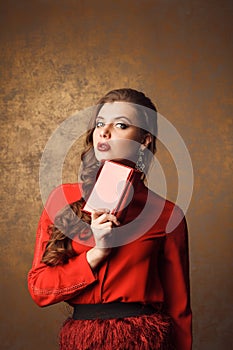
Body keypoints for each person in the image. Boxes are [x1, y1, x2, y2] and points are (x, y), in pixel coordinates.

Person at [28, 88, 192, 350]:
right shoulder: (63, 198)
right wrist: (95, 255)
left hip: (144, 340)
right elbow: (40, 289)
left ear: (145, 140)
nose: (104, 132)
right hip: (82, 341)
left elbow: (179, 309)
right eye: (100, 124)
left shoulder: (166, 214)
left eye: (121, 125)